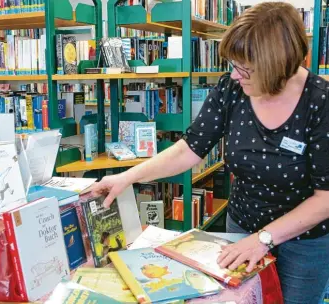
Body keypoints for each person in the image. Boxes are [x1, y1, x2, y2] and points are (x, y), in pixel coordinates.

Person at [89, 2, 329, 303]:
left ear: (276, 67)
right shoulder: (232, 88)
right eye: (233, 64)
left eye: (245, 68)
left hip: (304, 241)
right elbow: (188, 149)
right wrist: (127, 177)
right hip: (241, 225)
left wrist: (264, 239)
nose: (235, 75)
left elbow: (326, 198)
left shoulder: (320, 103)